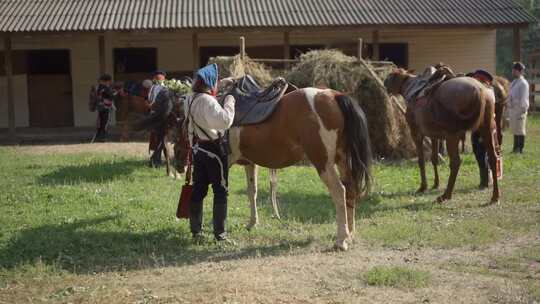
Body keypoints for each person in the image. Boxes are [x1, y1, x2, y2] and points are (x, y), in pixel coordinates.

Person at [185, 63, 235, 242]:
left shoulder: (190, 98)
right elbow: (224, 121)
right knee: (220, 190)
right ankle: (220, 235)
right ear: (210, 83)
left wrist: (221, 84)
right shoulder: (208, 101)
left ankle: (196, 231)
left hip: (198, 149)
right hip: (214, 151)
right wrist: (230, 100)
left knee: (199, 189)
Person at [468, 69, 497, 189]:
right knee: (478, 152)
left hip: (485, 127)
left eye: (478, 79)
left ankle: (485, 181)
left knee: (483, 153)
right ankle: (485, 178)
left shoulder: (489, 92)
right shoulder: (479, 92)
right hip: (477, 127)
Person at [146, 71, 171, 167]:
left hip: (155, 115)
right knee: (160, 138)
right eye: (160, 78)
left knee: (159, 137)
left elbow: (150, 102)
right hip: (161, 115)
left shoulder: (153, 88)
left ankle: (157, 158)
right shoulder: (163, 88)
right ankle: (155, 159)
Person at [508, 62, 530, 153]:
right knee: (515, 128)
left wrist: (523, 110)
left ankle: (520, 148)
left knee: (520, 129)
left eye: (515, 70)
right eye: (513, 70)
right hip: (513, 108)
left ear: (520, 71)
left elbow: (524, 97)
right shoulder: (514, 82)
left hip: (520, 108)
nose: (513, 72)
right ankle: (515, 147)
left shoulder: (523, 83)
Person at [94, 74, 115, 142]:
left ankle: (98, 136)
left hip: (100, 107)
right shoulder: (106, 88)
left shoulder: (99, 88)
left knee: (101, 122)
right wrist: (115, 93)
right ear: (107, 81)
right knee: (105, 122)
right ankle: (103, 137)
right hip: (106, 107)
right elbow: (111, 96)